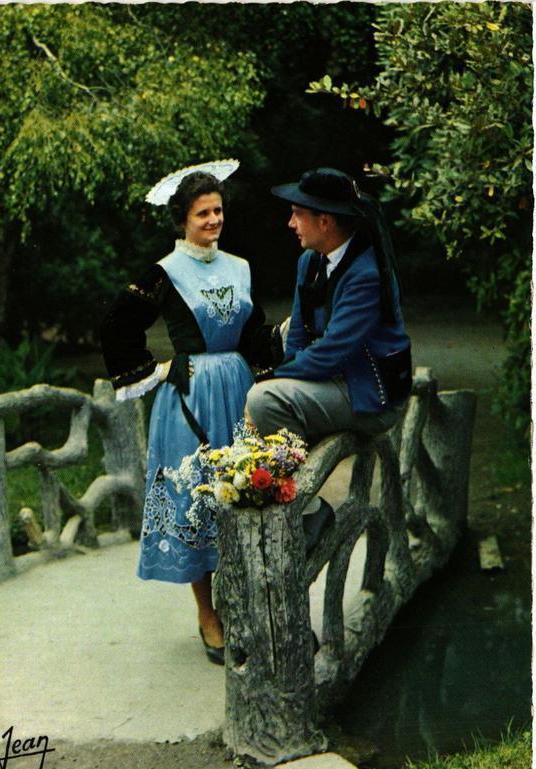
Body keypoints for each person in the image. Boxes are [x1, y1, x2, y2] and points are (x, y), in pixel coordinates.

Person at [100, 161, 280, 665]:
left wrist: (277, 357)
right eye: (203, 213)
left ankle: (247, 603)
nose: (213, 220)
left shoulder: (240, 268)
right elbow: (117, 325)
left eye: (219, 210)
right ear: (183, 219)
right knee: (198, 501)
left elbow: (252, 331)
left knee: (247, 493)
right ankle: (208, 615)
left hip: (240, 390)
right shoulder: (165, 272)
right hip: (192, 395)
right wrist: (154, 372)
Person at [245, 167, 412, 547]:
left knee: (263, 398)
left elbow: (330, 353)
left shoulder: (365, 273)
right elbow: (300, 336)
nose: (290, 223)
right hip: (335, 380)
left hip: (371, 394)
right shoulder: (310, 261)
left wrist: (273, 378)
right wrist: (284, 372)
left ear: (324, 220)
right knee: (267, 392)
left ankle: (308, 509)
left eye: (296, 214)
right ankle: (291, 503)